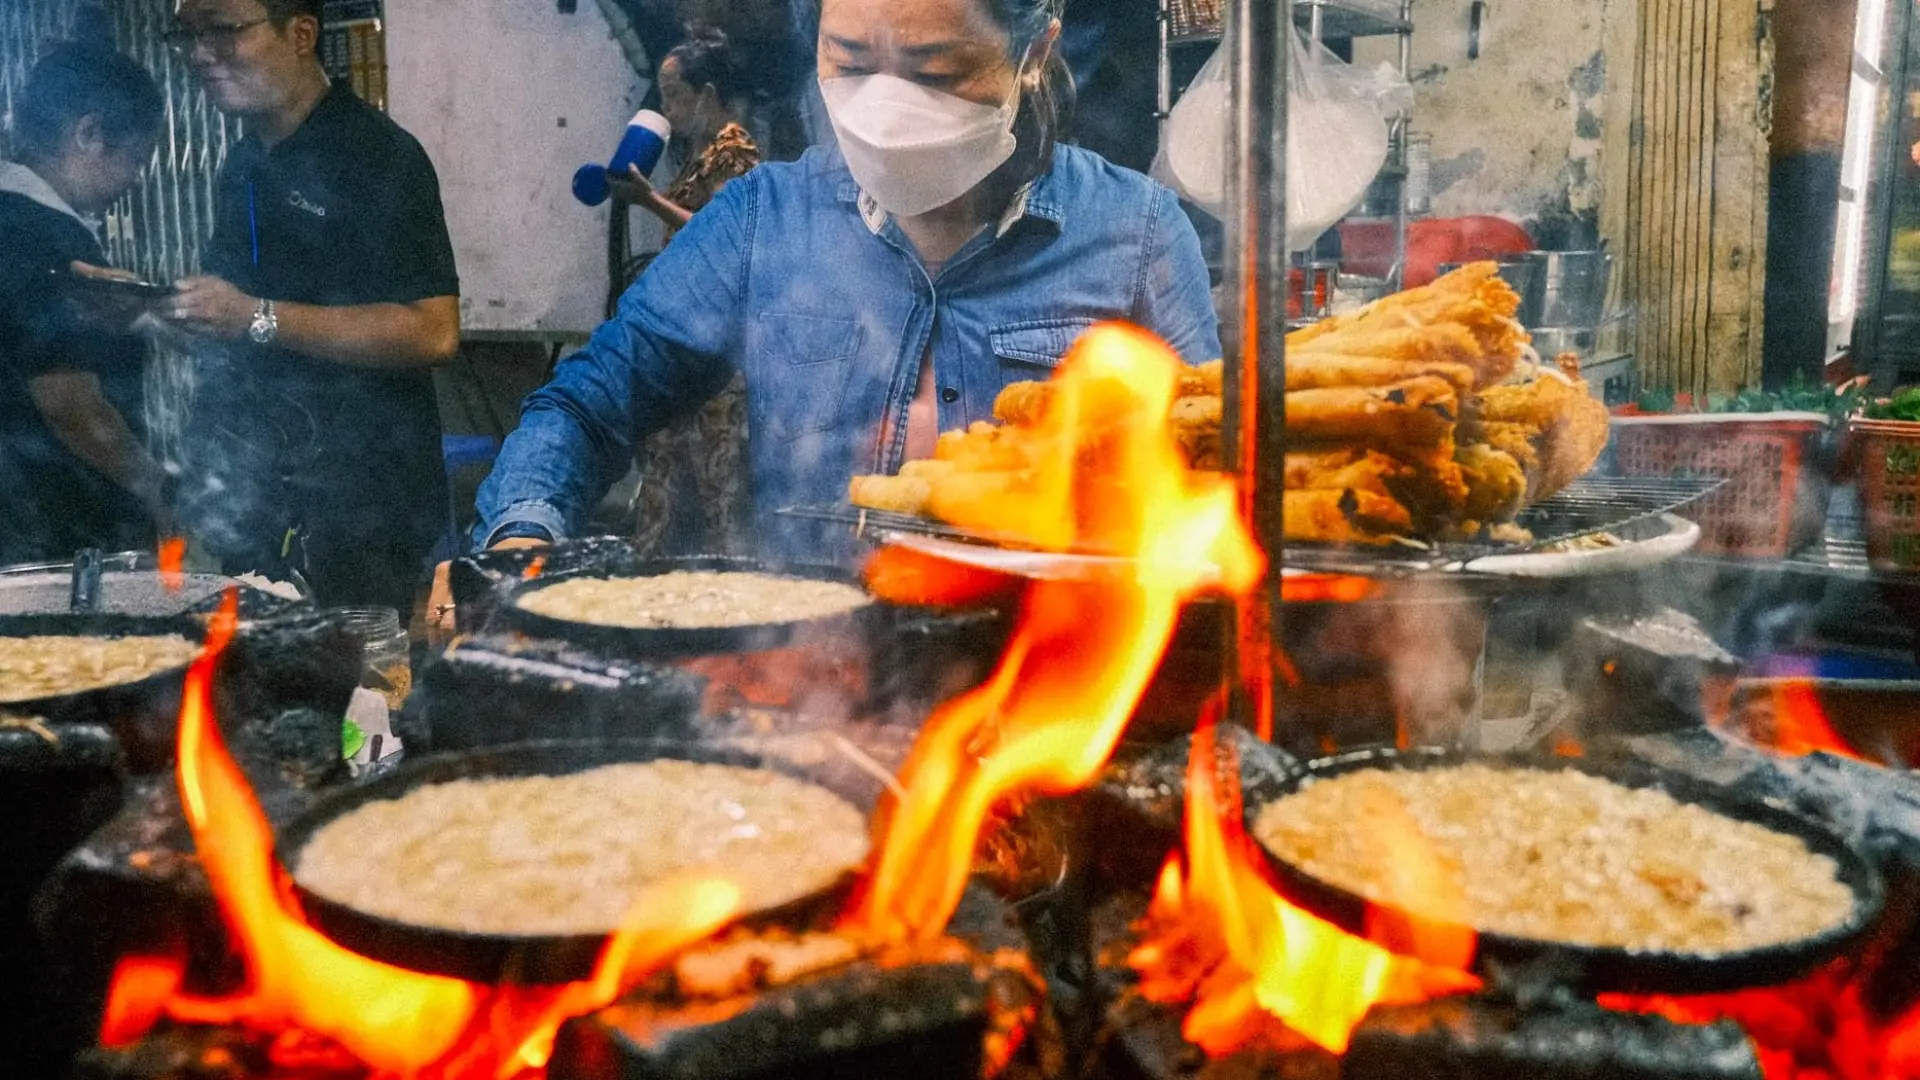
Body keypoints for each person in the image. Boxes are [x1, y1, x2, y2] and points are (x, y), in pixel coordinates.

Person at [463, 0, 1218, 581]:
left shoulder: (1137, 233)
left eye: (934, 72)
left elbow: (1210, 473)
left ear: (1033, 51)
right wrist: (520, 533)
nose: (888, 110)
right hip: (813, 687)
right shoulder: (763, 219)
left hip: (1044, 694)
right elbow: (588, 403)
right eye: (851, 63)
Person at [158, 0, 460, 611]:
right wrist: (149, 311)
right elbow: (232, 315)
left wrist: (254, 315)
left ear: (300, 34)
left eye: (222, 30)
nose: (199, 54)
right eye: (187, 35)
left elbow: (432, 331)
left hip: (365, 499)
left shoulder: (379, 157)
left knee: (363, 691)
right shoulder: (243, 162)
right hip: (260, 491)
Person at [0, 44, 168, 566]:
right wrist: (159, 490)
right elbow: (71, 405)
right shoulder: (45, 235)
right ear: (89, 134)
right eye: (135, 159)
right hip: (52, 531)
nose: (136, 179)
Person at [607, 28, 763, 558]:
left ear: (709, 94)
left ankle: (733, 585)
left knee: (719, 479)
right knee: (663, 466)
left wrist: (649, 200)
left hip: (720, 340)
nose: (667, 106)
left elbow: (723, 230)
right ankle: (648, 572)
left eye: (675, 93)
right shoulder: (693, 157)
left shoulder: (735, 151)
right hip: (682, 333)